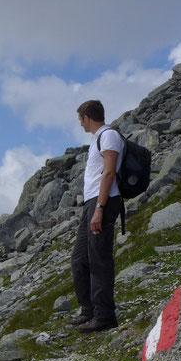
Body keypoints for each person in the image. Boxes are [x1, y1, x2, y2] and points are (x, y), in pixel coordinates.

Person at [71, 100, 123, 332]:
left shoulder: (109, 136)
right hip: (91, 203)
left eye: (80, 119)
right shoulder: (97, 139)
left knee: (99, 259)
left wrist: (100, 208)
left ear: (86, 118)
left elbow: (109, 172)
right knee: (80, 258)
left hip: (104, 201)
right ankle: (89, 310)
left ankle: (104, 316)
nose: (80, 123)